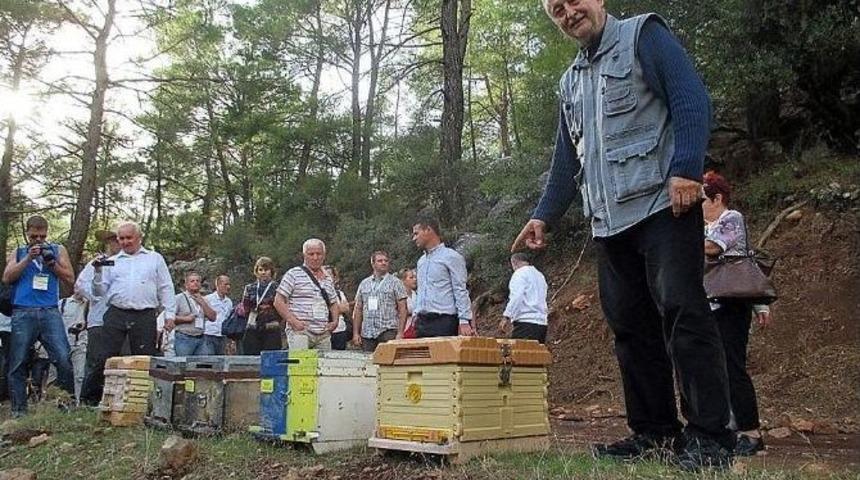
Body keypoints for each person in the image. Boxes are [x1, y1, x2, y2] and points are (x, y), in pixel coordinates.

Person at [511, 0, 734, 470]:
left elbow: (691, 98)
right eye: (556, 9)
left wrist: (686, 168)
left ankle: (711, 436)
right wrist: (543, 215)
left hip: (663, 207)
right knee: (631, 329)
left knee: (683, 313)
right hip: (608, 224)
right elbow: (566, 159)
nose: (569, 12)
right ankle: (654, 432)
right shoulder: (569, 81)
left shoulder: (642, 36)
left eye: (574, 1)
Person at [702, 171, 772, 457]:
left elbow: (713, 248)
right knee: (712, 368)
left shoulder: (731, 219)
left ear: (717, 198)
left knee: (733, 366)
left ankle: (751, 431)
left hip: (730, 304)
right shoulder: (704, 226)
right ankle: (726, 426)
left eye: (702, 201)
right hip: (709, 304)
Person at [2, 215, 76, 416]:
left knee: (63, 358)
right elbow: (7, 277)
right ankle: (19, 411)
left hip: (49, 311)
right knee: (18, 362)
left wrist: (52, 263)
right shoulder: (19, 252)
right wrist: (28, 259)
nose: (38, 240)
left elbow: (70, 278)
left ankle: (65, 406)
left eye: (42, 236)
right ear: (27, 233)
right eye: (34, 236)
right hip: (23, 311)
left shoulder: (58, 250)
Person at [92, 221, 176, 358]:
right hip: (116, 313)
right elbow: (99, 293)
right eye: (122, 238)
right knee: (106, 357)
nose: (125, 242)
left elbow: (166, 287)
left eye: (129, 238)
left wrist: (170, 314)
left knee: (144, 358)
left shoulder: (155, 258)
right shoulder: (112, 261)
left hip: (144, 315)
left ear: (139, 237)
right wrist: (97, 272)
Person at [77, 230, 121, 405]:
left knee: (119, 362)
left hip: (122, 321)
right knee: (96, 362)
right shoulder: (96, 263)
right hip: (99, 319)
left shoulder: (129, 263)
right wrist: (97, 295)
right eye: (113, 240)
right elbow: (80, 285)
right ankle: (88, 401)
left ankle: (113, 401)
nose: (117, 244)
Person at [411, 215, 474, 337]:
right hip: (422, 321)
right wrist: (415, 313)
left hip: (443, 320)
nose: (414, 238)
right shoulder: (421, 261)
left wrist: (464, 320)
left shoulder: (451, 257)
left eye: (416, 233)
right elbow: (421, 289)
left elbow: (460, 289)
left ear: (428, 230)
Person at [273, 239, 339, 351]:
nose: (315, 257)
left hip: (323, 333)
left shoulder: (328, 278)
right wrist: (293, 321)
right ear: (304, 255)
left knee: (323, 362)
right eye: (311, 254)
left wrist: (335, 322)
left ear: (324, 255)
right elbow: (278, 301)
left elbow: (333, 302)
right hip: (301, 331)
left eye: (318, 254)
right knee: (301, 362)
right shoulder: (293, 274)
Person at [352, 251, 408, 352]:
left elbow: (403, 309)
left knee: (387, 359)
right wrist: (356, 333)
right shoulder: (364, 284)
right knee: (368, 360)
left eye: (386, 261)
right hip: (367, 333)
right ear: (373, 263)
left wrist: (400, 333)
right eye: (380, 261)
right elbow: (358, 309)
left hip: (388, 331)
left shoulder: (396, 282)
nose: (383, 263)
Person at [499, 253, 549, 344]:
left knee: (519, 352)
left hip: (525, 322)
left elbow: (517, 297)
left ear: (514, 263)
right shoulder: (540, 275)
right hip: (542, 323)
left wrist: (506, 316)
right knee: (536, 352)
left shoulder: (519, 274)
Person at [239, 257, 282, 355]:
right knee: (251, 356)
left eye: (266, 270)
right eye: (260, 270)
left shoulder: (278, 288)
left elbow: (281, 308)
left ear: (271, 271)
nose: (263, 272)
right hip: (253, 327)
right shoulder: (249, 288)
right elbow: (246, 307)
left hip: (272, 327)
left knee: (271, 356)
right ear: (256, 271)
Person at [171, 272, 216, 356]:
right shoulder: (178, 298)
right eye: (192, 281)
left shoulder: (204, 299)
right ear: (186, 285)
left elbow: (213, 317)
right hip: (184, 338)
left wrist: (203, 303)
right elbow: (169, 317)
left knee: (202, 363)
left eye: (197, 281)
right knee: (183, 362)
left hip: (201, 338)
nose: (195, 283)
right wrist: (185, 319)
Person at [59, 293, 88, 402]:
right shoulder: (63, 303)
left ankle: (78, 402)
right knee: (58, 374)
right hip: (63, 343)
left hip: (81, 344)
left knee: (80, 375)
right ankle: (57, 401)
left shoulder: (89, 304)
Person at [203, 275, 232, 355]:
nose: (228, 287)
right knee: (210, 359)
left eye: (229, 284)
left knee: (221, 359)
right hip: (209, 334)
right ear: (218, 285)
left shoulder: (229, 302)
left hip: (222, 336)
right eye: (225, 284)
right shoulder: (208, 299)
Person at [324, 266, 351, 351]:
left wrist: (331, 310)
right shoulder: (315, 293)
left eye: (329, 274)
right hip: (323, 331)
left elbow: (346, 308)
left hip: (339, 331)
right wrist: (338, 309)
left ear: (335, 278)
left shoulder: (339, 293)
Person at [398, 268, 418, 338]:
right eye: (411, 278)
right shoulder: (399, 296)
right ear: (403, 280)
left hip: (416, 329)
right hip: (404, 329)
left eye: (415, 277)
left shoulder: (416, 294)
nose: (415, 279)